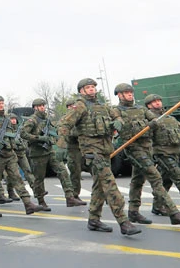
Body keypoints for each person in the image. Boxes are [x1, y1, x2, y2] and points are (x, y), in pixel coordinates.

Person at [57, 78, 140, 235]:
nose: (91, 90)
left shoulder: (102, 106)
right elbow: (64, 123)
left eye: (93, 87)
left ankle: (94, 219)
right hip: (92, 150)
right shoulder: (80, 106)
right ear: (81, 91)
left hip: (105, 148)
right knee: (109, 183)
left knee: (99, 186)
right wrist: (61, 145)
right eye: (88, 88)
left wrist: (118, 121)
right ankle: (123, 221)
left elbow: (116, 115)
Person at [113, 83, 180, 225]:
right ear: (120, 95)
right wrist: (117, 123)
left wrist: (154, 123)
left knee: (138, 180)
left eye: (131, 92)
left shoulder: (141, 109)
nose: (130, 94)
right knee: (155, 177)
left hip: (147, 147)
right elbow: (116, 120)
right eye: (126, 92)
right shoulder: (116, 110)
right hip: (133, 148)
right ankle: (174, 213)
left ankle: (133, 212)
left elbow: (156, 119)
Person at [0, 95, 44, 217]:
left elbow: (11, 133)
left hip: (9, 154)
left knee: (17, 179)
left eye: (2, 103)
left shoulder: (7, 118)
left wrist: (13, 145)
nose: (2, 105)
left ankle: (28, 204)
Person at [20, 98, 85, 210]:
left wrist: (53, 138)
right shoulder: (32, 120)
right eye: (40, 106)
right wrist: (39, 138)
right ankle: (41, 201)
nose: (42, 108)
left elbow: (54, 131)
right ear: (35, 108)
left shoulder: (47, 119)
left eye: (43, 105)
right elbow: (23, 133)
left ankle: (70, 197)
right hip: (37, 153)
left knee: (62, 171)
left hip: (49, 151)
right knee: (39, 178)